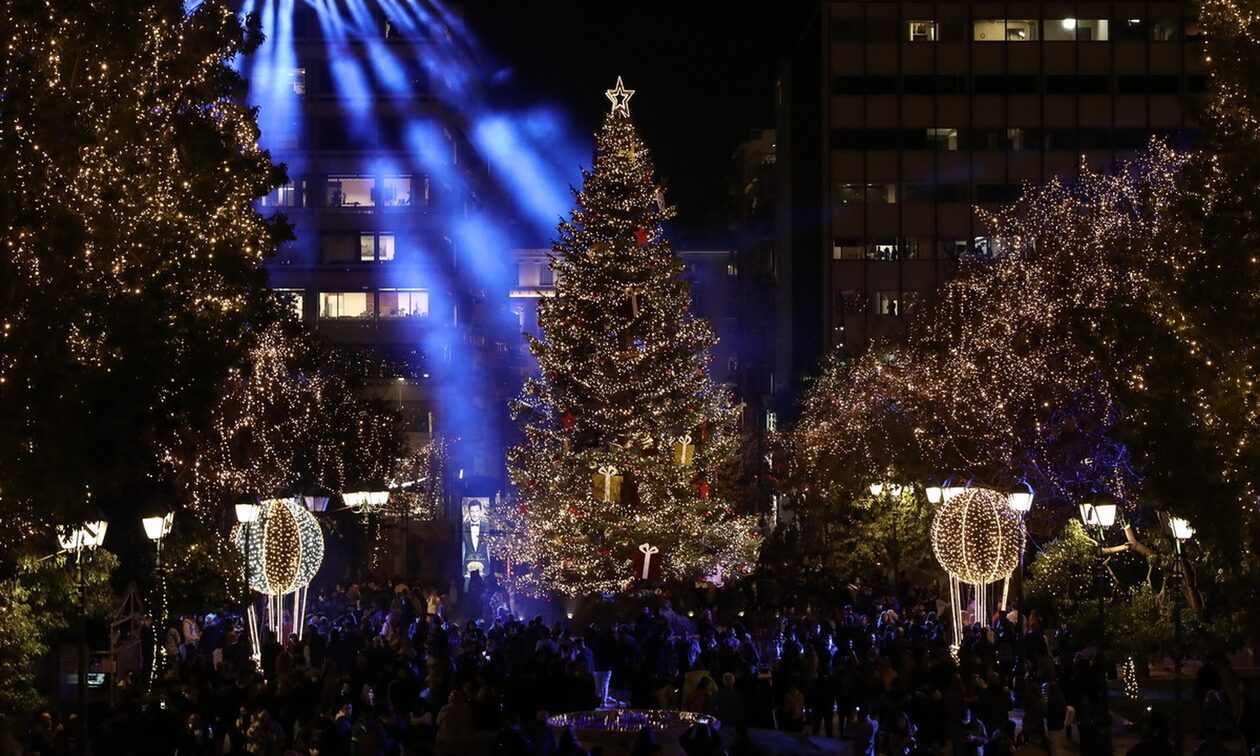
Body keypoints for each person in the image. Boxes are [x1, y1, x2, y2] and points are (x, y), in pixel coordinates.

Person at [461, 499, 492, 580]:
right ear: (468, 512)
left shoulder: (487, 526)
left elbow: (490, 547)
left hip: (485, 567)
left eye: (477, 511)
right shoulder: (463, 526)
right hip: (467, 567)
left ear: (481, 511)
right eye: (472, 511)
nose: (474, 514)